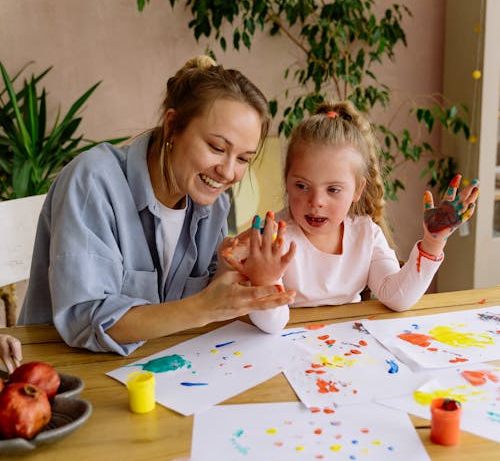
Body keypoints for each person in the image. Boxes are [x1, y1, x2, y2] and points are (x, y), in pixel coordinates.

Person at [18, 56, 294, 354]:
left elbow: (196, 302)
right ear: (173, 126)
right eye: (216, 148)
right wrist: (204, 308)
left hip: (156, 371)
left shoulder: (211, 203)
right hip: (63, 374)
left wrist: (234, 270)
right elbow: (88, 321)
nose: (228, 173)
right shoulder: (93, 180)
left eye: (243, 159)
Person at [224, 100, 479, 333]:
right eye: (302, 186)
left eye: (333, 189)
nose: (316, 202)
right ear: (287, 182)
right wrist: (264, 279)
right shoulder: (272, 240)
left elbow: (396, 297)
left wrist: (433, 243)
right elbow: (272, 324)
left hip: (348, 354)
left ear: (357, 190)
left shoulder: (366, 234)